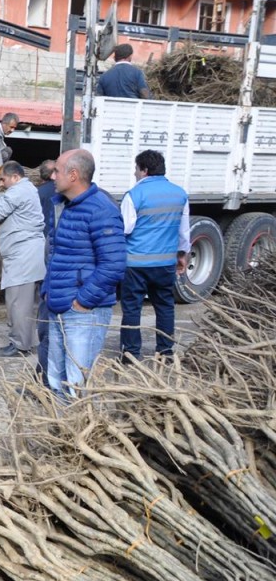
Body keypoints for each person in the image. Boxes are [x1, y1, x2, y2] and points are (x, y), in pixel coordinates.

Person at [42, 149, 126, 397]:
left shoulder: (101, 210)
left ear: (74, 175)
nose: (52, 175)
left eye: (57, 170)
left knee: (77, 383)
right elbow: (55, 253)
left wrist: (83, 301)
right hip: (59, 304)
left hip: (82, 310)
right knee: (56, 378)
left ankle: (78, 432)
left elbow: (114, 264)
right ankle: (59, 431)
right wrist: (48, 290)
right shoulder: (62, 207)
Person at [0, 161, 47, 357]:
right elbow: (17, 217)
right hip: (23, 253)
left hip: (23, 255)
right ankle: (22, 341)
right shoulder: (26, 189)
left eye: (3, 179)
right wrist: (4, 225)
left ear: (15, 177)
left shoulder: (18, 191)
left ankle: (20, 345)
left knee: (18, 302)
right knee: (20, 301)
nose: (2, 184)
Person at [119, 149, 189, 361]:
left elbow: (124, 229)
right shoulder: (180, 194)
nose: (135, 174)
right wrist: (182, 256)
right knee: (165, 307)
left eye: (136, 169)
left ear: (144, 170)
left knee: (132, 309)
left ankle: (130, 354)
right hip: (165, 263)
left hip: (135, 264)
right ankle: (165, 352)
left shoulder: (134, 195)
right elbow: (183, 231)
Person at [34, 159, 59, 378]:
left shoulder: (41, 192)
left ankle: (46, 379)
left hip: (61, 286)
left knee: (49, 332)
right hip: (54, 282)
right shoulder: (58, 197)